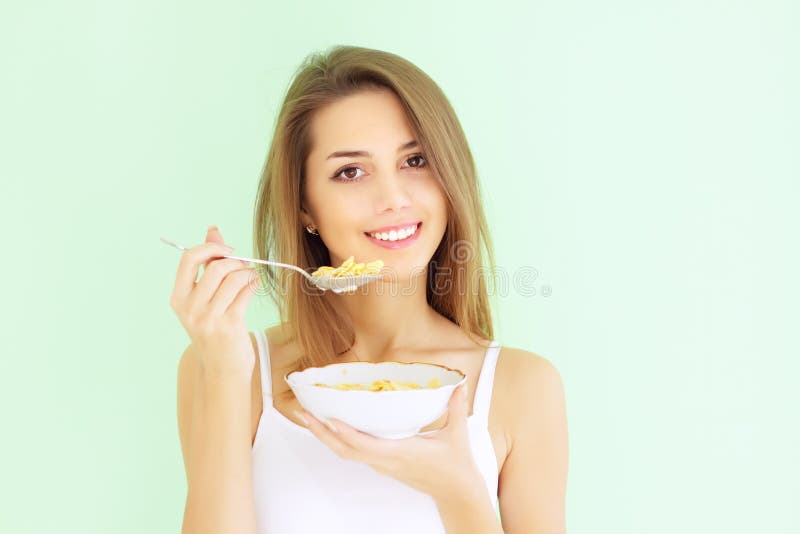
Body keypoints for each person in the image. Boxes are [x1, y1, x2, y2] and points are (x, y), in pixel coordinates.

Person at [170, 45, 568, 534]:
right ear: (305, 210)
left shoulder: (521, 387)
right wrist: (226, 372)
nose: (393, 198)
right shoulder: (229, 368)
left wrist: (459, 492)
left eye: (416, 160)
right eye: (350, 172)